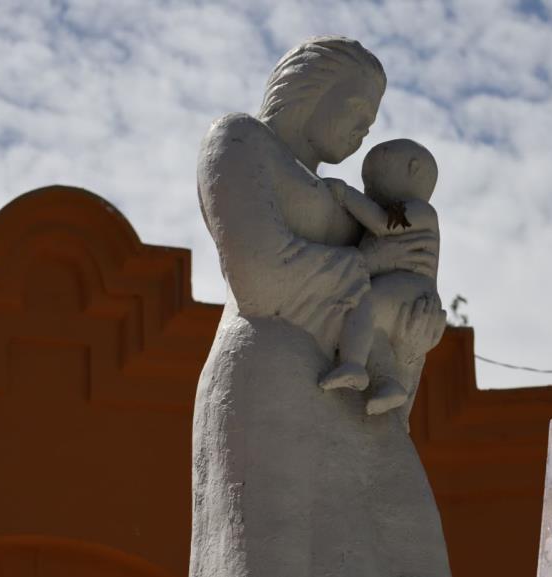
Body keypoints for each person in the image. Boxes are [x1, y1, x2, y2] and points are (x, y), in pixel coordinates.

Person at [191, 37, 450, 577]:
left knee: (410, 546)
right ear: (314, 91)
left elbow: (370, 320)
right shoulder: (239, 141)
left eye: (373, 119)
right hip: (272, 377)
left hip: (357, 401)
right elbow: (258, 280)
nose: (365, 131)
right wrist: (368, 263)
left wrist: (409, 337)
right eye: (358, 110)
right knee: (273, 551)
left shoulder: (354, 203)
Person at [320, 138, 440, 416]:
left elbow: (383, 224)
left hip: (411, 290)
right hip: (400, 293)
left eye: (373, 179)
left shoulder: (419, 210)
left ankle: (352, 364)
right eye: (365, 183)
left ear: (414, 170)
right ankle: (388, 384)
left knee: (365, 306)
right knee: (374, 335)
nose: (369, 189)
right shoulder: (410, 211)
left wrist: (345, 194)